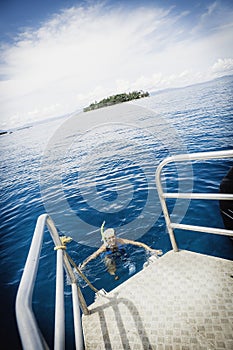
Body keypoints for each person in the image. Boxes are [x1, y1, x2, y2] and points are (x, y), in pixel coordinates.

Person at [80, 221, 163, 280]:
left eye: (113, 237)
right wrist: (84, 265)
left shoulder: (120, 241)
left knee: (125, 255)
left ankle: (129, 264)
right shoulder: (104, 247)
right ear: (106, 240)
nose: (112, 240)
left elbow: (138, 243)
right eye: (109, 238)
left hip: (119, 251)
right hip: (109, 254)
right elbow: (94, 255)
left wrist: (151, 250)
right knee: (108, 261)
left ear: (116, 236)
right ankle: (114, 274)